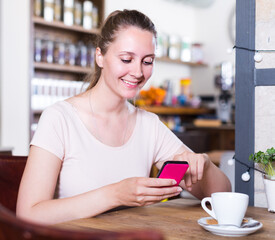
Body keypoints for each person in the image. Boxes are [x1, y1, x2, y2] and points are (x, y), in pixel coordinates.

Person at [16, 9, 231, 225]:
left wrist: (203, 164)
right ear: (100, 56)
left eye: (147, 61)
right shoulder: (59, 118)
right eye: (127, 59)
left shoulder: (149, 125)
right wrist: (115, 194)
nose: (138, 72)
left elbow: (222, 194)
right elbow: (29, 214)